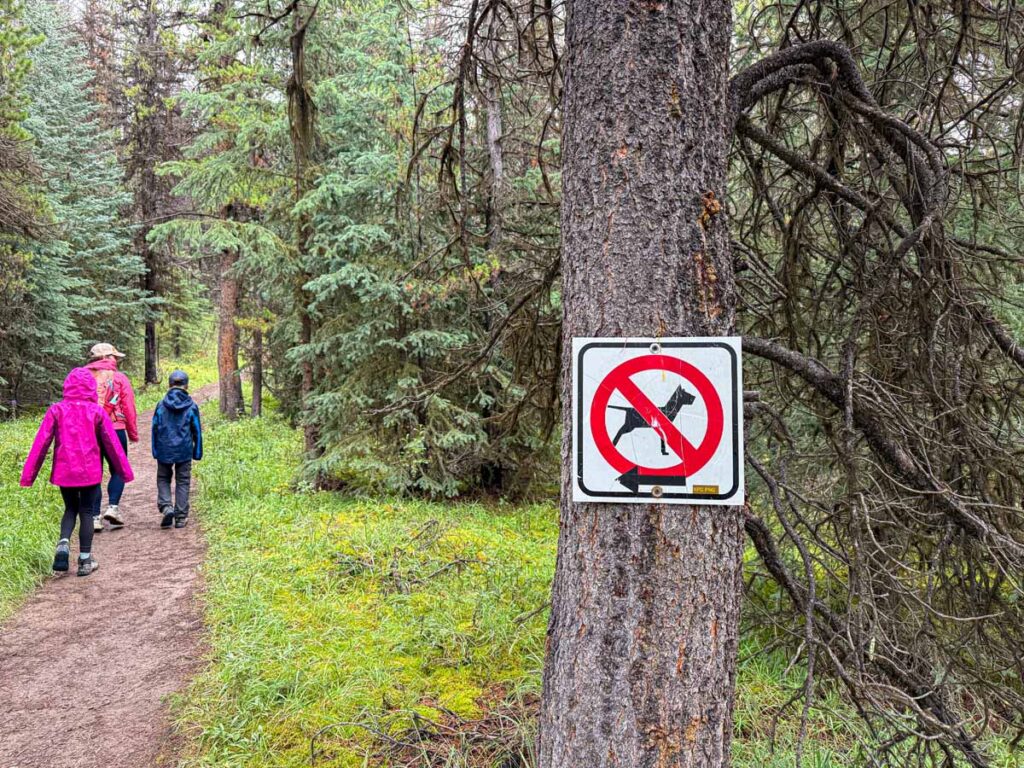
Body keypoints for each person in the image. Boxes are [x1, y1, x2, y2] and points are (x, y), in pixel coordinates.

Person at [20, 368, 134, 576]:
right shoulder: (97, 412)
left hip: (65, 472)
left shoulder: (56, 410)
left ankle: (63, 543)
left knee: (70, 509)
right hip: (90, 471)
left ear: (68, 386)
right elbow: (112, 445)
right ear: (91, 388)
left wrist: (28, 476)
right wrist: (124, 472)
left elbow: (41, 444)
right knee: (87, 511)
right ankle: (85, 560)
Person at [85, 342, 138, 531]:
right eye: (114, 356)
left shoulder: (83, 377)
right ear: (106, 357)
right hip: (115, 429)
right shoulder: (119, 378)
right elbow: (128, 407)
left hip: (89, 430)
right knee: (118, 469)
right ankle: (113, 508)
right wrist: (132, 432)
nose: (116, 360)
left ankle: (94, 517)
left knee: (94, 472)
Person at [152, 369, 202, 529]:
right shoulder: (192, 406)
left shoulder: (161, 405)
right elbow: (197, 430)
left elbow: (155, 428)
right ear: (186, 386)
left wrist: (155, 450)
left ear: (169, 385)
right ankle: (180, 517)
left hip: (164, 449)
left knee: (163, 478)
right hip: (184, 450)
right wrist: (197, 452)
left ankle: (166, 506)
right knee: (183, 481)